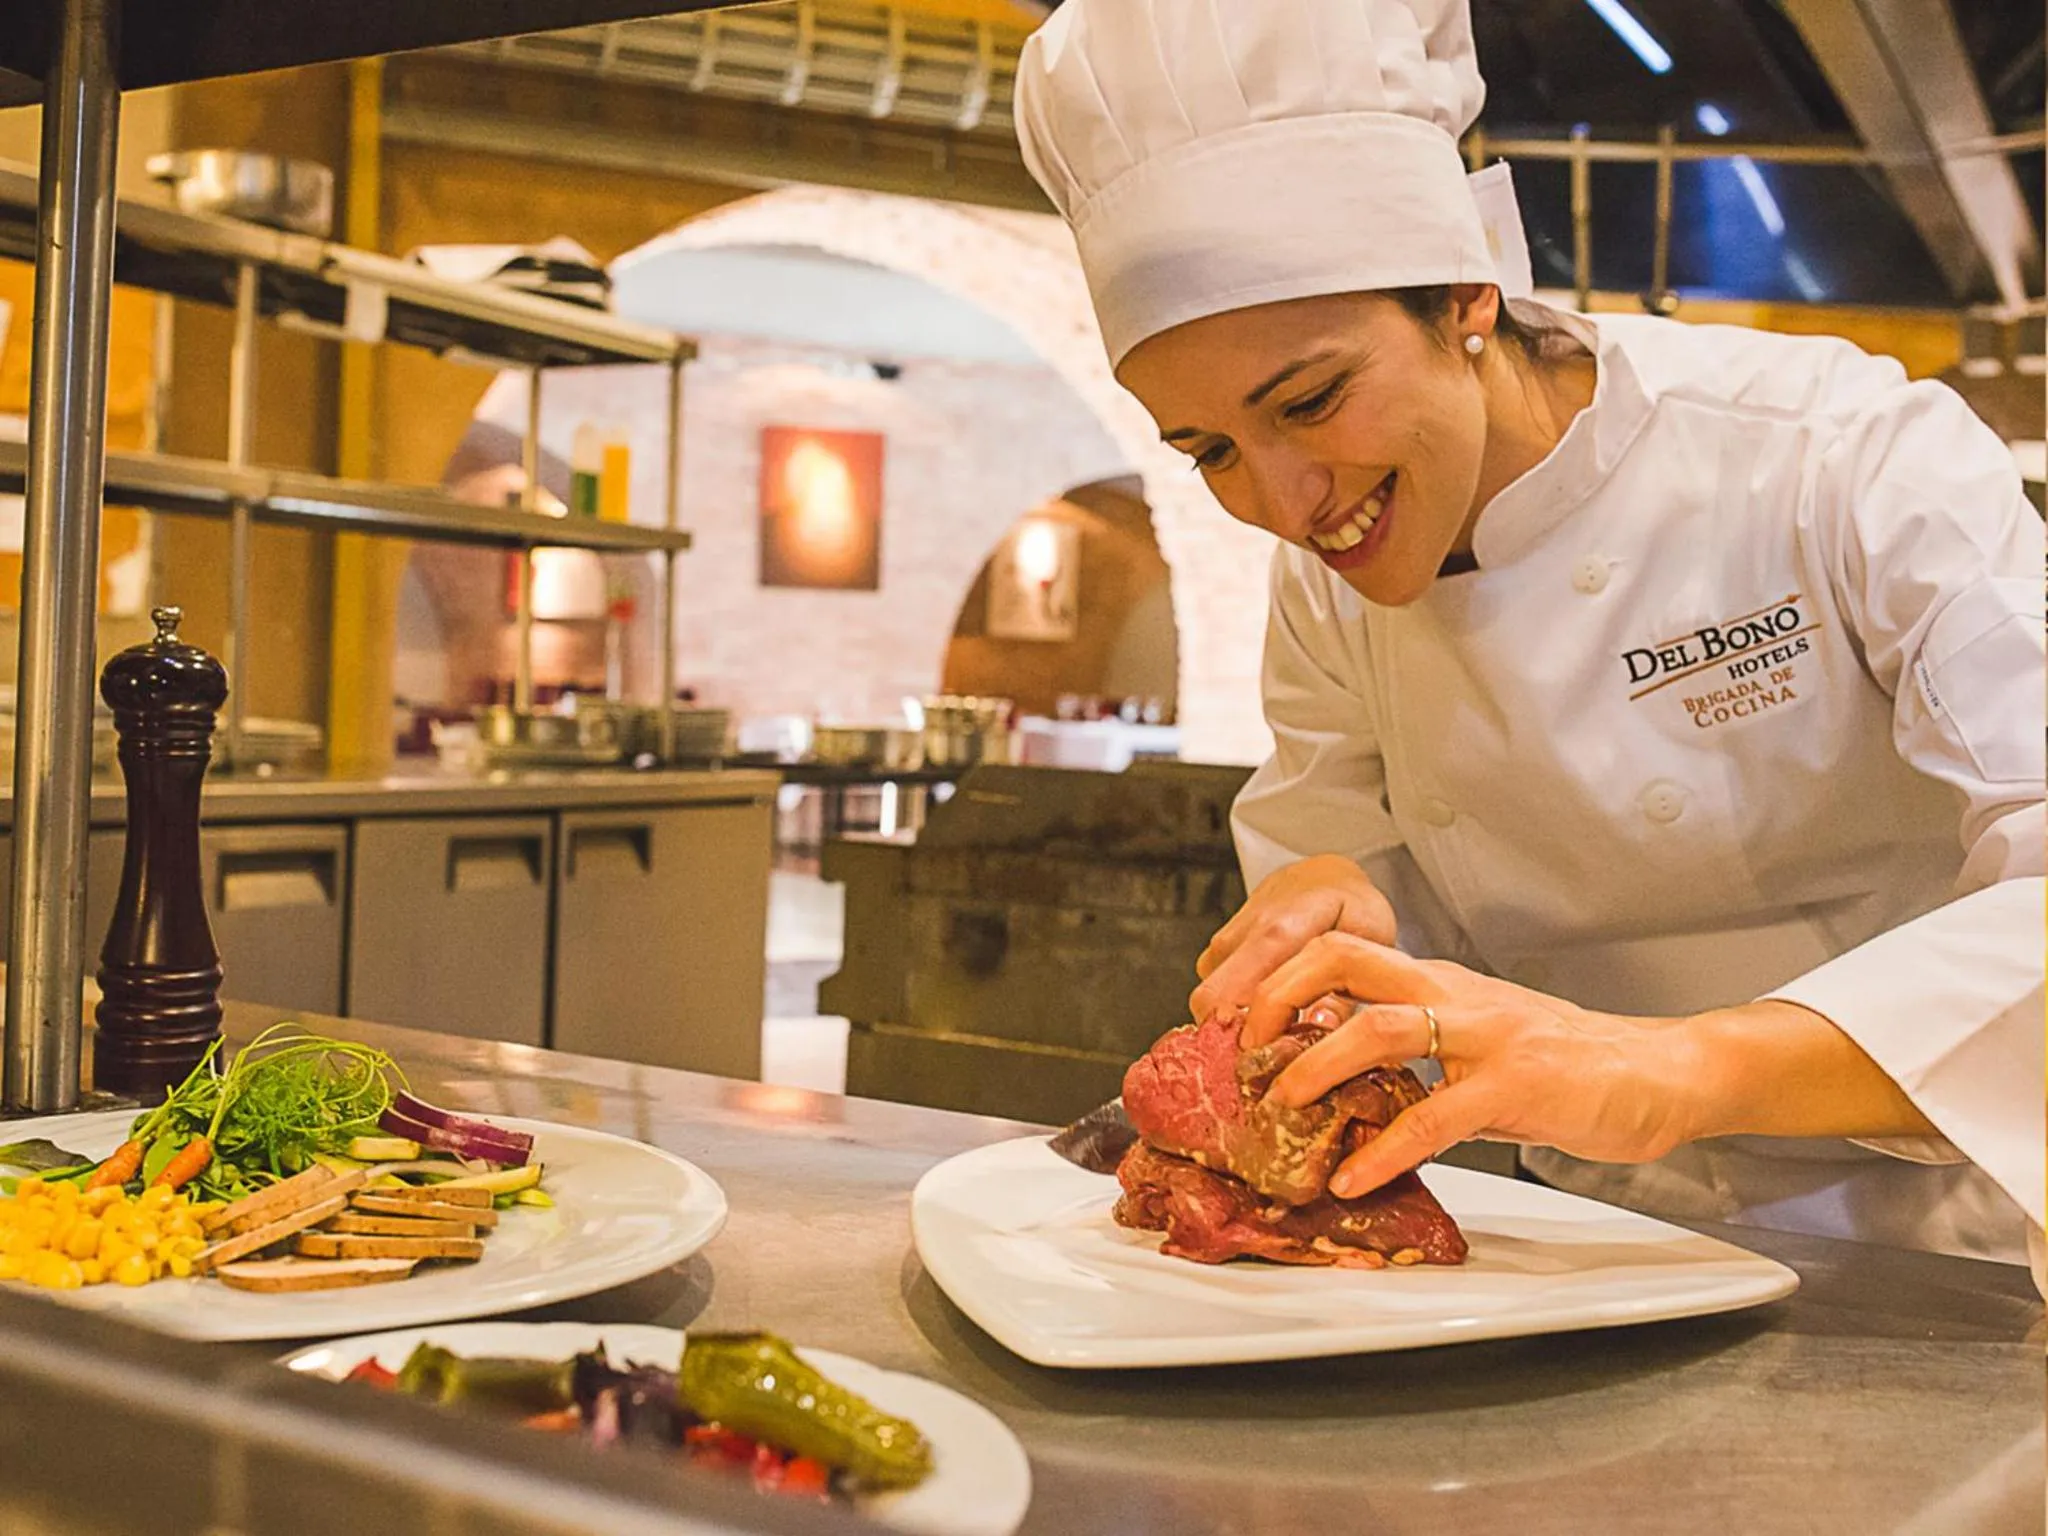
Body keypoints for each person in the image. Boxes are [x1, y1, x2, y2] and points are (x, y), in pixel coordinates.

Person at [1015, 0, 2045, 1269]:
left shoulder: (1841, 459)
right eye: (1210, 450)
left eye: (1312, 399)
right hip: (1592, 1258)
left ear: (1464, 297)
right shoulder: (1328, 589)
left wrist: (1676, 1069)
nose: (1285, 506)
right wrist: (1344, 907)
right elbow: (1371, 919)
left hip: (1963, 1251)